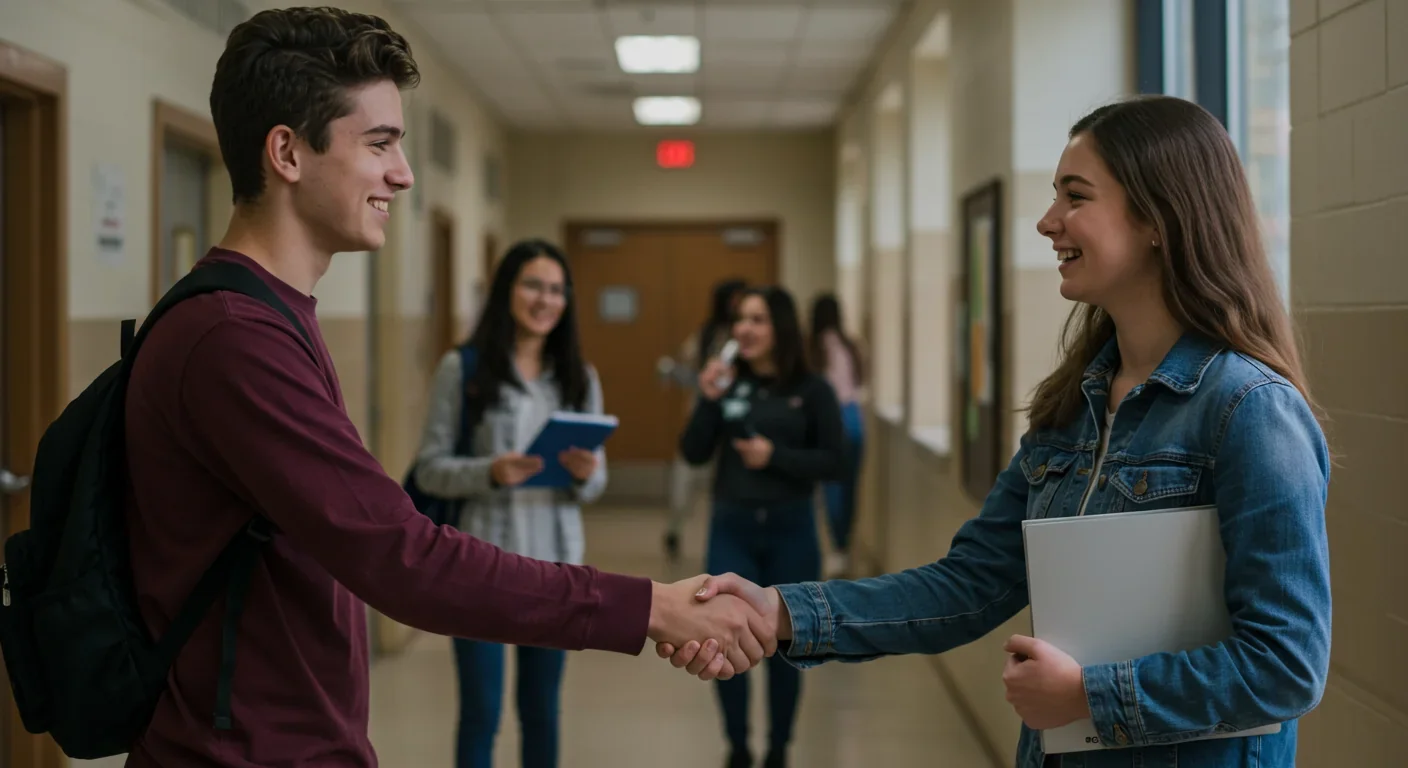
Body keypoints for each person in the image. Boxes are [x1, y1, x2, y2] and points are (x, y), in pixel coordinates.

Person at [122, 8, 768, 767]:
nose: (403, 173)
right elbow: (402, 556)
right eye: (381, 144)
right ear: (287, 152)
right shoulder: (235, 339)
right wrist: (649, 607)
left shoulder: (273, 317)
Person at [664, 95, 1331, 768]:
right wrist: (778, 612)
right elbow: (969, 585)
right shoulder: (1075, 404)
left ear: (1158, 216)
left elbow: (1285, 666)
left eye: (1075, 196)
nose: (1048, 222)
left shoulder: (1248, 409)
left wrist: (1091, 696)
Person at [413, 239, 604, 768]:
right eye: (532, 286)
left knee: (541, 711)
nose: (545, 300)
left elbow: (595, 485)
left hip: (555, 568)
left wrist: (584, 475)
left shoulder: (578, 378)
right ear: (507, 292)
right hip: (479, 564)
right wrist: (489, 471)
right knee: (481, 712)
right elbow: (429, 468)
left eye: (556, 290)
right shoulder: (463, 368)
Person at [680, 286, 845, 768]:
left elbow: (835, 462)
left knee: (784, 647)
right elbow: (692, 452)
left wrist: (777, 457)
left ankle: (777, 750)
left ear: (781, 329)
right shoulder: (727, 383)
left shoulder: (812, 389)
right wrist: (708, 398)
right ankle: (736, 747)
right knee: (722, 644)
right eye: (739, 320)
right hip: (732, 527)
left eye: (757, 320)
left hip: (791, 530)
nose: (744, 330)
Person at [664, 278, 748, 561]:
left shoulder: (749, 336)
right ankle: (674, 530)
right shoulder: (705, 335)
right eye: (732, 300)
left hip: (736, 421)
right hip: (703, 416)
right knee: (684, 479)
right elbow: (684, 365)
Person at [807, 293, 865, 578]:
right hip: (855, 419)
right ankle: (843, 547)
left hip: (832, 420)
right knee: (851, 486)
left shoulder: (814, 349)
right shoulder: (849, 345)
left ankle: (836, 548)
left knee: (832, 488)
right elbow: (858, 382)